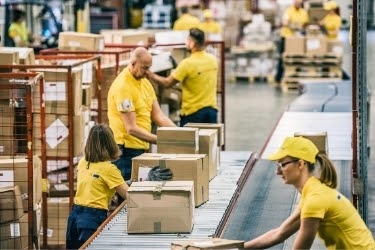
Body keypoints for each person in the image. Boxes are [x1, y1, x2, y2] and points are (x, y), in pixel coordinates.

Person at [244, 136, 375, 249]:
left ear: (301, 164)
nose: (277, 172)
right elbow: (280, 233)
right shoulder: (312, 193)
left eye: (282, 165)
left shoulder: (315, 200)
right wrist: (239, 248)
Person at [107, 47, 176, 203]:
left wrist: (180, 135)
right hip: (125, 151)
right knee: (130, 198)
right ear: (132, 63)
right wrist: (161, 140)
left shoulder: (145, 82)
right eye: (144, 68)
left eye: (149, 68)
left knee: (141, 193)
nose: (148, 72)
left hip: (141, 147)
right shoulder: (123, 86)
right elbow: (131, 128)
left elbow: (159, 116)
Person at [66, 124, 129, 249]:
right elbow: (129, 195)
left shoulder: (83, 162)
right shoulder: (109, 169)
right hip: (92, 219)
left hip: (74, 217)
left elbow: (97, 183)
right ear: (110, 143)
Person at [147, 28, 218, 127]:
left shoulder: (187, 64)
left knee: (189, 142)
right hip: (211, 112)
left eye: (187, 41)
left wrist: (150, 74)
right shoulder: (212, 60)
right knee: (210, 141)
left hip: (193, 114)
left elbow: (167, 83)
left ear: (192, 43)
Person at [275, 0, 309, 83]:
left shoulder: (303, 12)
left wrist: (300, 27)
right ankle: (278, 78)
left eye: (299, 3)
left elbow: (305, 23)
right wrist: (292, 25)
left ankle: (295, 77)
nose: (298, 4)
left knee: (297, 57)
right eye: (296, 2)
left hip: (297, 38)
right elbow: (284, 22)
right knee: (283, 57)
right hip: (286, 37)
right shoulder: (288, 11)